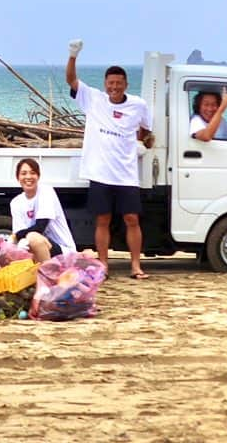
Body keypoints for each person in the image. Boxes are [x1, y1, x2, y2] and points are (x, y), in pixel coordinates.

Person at [66, 39, 154, 279]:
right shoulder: (94, 99)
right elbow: (72, 80)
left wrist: (141, 142)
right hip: (100, 172)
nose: (114, 86)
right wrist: (73, 55)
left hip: (126, 173)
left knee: (132, 219)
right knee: (102, 220)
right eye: (111, 83)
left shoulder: (138, 105)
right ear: (105, 84)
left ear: (126, 84)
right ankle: (103, 264)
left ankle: (136, 265)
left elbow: (146, 129)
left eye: (119, 83)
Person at [9, 158, 77, 262]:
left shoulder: (46, 191)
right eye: (23, 173)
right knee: (14, 249)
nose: (28, 177)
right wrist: (15, 239)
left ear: (38, 176)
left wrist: (16, 236)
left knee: (33, 238)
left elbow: (40, 227)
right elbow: (19, 232)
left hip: (62, 251)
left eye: (32, 173)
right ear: (18, 177)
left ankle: (47, 274)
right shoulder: (16, 202)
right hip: (35, 247)